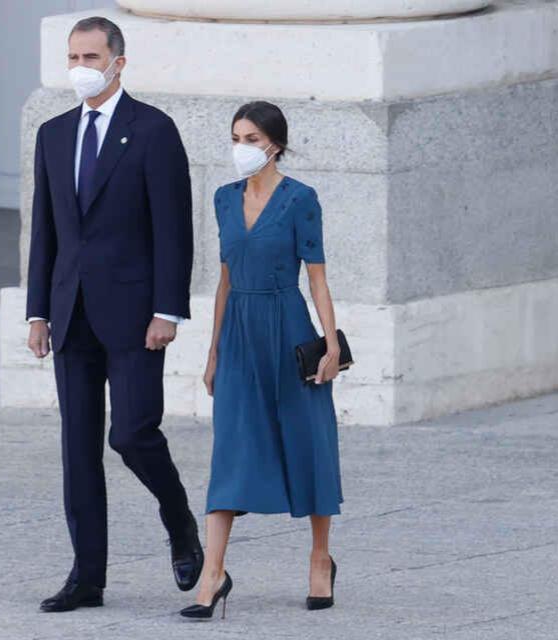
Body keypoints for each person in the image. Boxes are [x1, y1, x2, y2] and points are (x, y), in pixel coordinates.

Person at [25, 16, 203, 612]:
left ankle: (179, 522)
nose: (81, 66)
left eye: (91, 56)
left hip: (133, 313)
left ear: (118, 62)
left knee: (130, 433)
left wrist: (167, 310)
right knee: (78, 448)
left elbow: (174, 230)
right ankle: (87, 576)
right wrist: (36, 313)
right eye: (73, 55)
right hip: (68, 311)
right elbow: (45, 232)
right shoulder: (52, 134)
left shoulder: (152, 130)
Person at [179, 101, 344, 620]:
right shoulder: (224, 200)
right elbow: (224, 279)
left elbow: (316, 277)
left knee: (308, 439)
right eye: (236, 137)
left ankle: (321, 559)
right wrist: (212, 352)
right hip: (240, 335)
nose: (241, 148)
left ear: (274, 143)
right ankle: (213, 573)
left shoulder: (301, 199)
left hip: (289, 328)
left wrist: (332, 343)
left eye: (250, 138)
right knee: (230, 447)